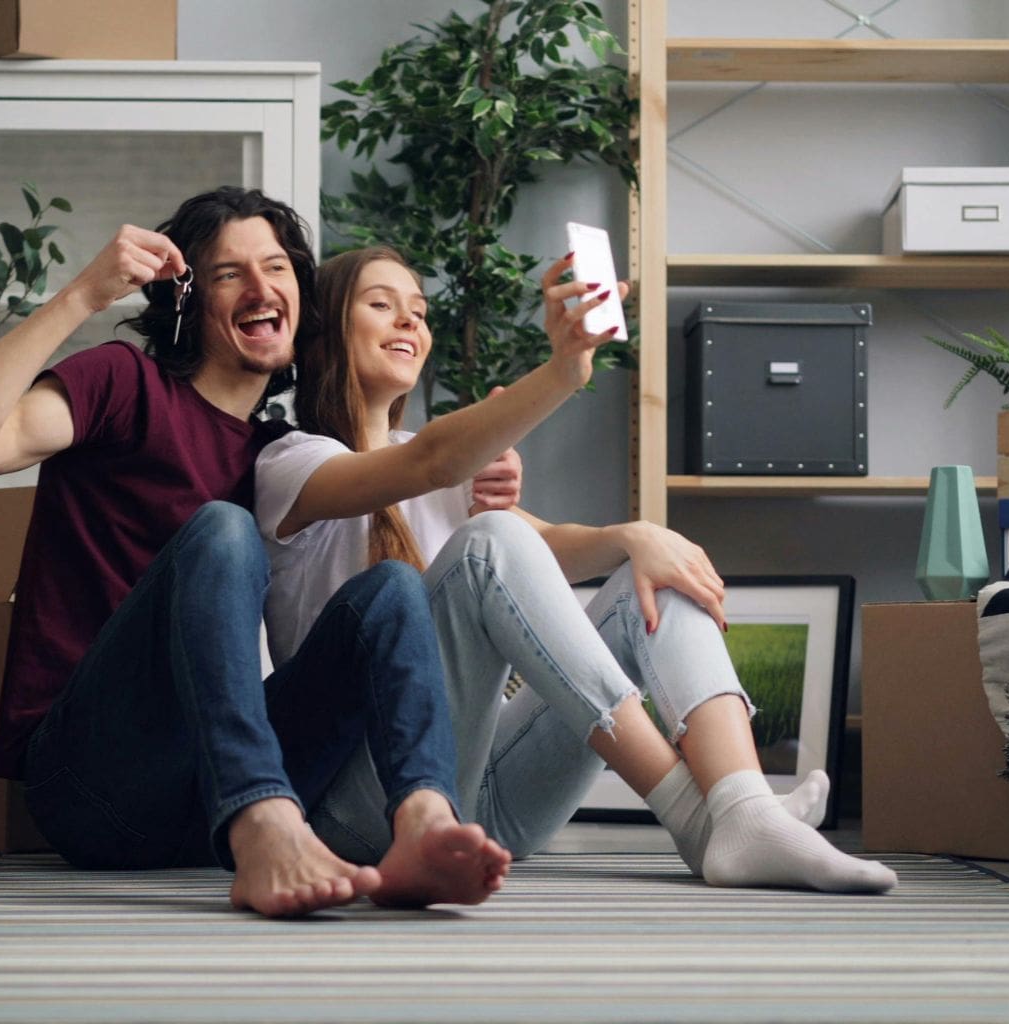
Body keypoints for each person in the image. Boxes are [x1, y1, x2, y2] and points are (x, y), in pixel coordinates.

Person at [0, 190, 511, 918]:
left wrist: (490, 492)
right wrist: (83, 294)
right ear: (189, 297)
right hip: (93, 786)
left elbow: (416, 469)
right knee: (223, 528)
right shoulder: (123, 384)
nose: (261, 289)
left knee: (391, 589)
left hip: (205, 795)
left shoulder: (279, 453)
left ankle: (420, 824)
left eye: (278, 268)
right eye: (229, 274)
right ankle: (265, 823)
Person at [252, 244, 897, 893]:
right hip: (362, 806)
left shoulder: (434, 468)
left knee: (654, 568)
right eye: (381, 305)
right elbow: (437, 466)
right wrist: (564, 370)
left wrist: (636, 537)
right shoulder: (292, 462)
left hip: (487, 801)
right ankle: (699, 819)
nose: (409, 324)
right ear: (325, 330)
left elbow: (544, 547)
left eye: (418, 312)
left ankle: (742, 807)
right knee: (492, 538)